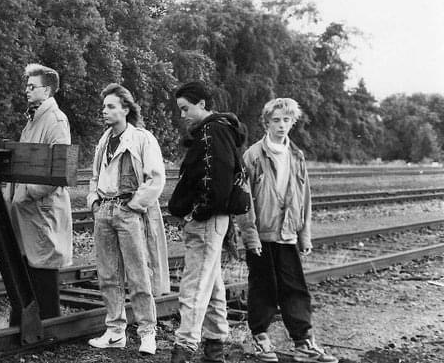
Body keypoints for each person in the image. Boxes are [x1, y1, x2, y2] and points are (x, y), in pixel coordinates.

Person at [238, 98, 338, 363]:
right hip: (262, 234)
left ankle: (303, 343)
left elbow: (304, 196)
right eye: (276, 120)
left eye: (286, 120)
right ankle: (260, 339)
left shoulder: (297, 156)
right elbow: (243, 199)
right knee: (263, 288)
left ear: (293, 122)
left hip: (287, 234)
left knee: (295, 288)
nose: (281, 126)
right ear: (266, 122)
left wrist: (304, 234)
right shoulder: (253, 155)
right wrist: (250, 235)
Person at [86, 83, 169, 356]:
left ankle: (147, 333)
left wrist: (134, 205)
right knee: (108, 274)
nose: (105, 111)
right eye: (103, 107)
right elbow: (94, 176)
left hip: (128, 212)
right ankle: (115, 331)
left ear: (125, 109)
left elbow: (155, 178)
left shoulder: (142, 139)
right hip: (105, 212)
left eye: (110, 106)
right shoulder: (104, 140)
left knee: (138, 275)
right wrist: (94, 202)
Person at [169, 81, 247, 363]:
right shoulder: (215, 130)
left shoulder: (213, 131)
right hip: (212, 220)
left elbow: (219, 181)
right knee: (210, 284)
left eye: (185, 108)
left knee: (194, 286)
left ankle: (185, 347)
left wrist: (196, 213)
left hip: (208, 220)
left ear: (202, 104)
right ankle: (215, 347)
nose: (183, 115)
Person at [9, 63, 73, 319]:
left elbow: (59, 168)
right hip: (28, 209)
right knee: (30, 265)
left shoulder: (56, 120)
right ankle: (28, 323)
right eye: (26, 85)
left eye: (32, 86)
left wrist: (28, 193)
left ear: (46, 91)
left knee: (44, 267)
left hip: (41, 207)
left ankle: (49, 326)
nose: (26, 90)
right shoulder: (34, 117)